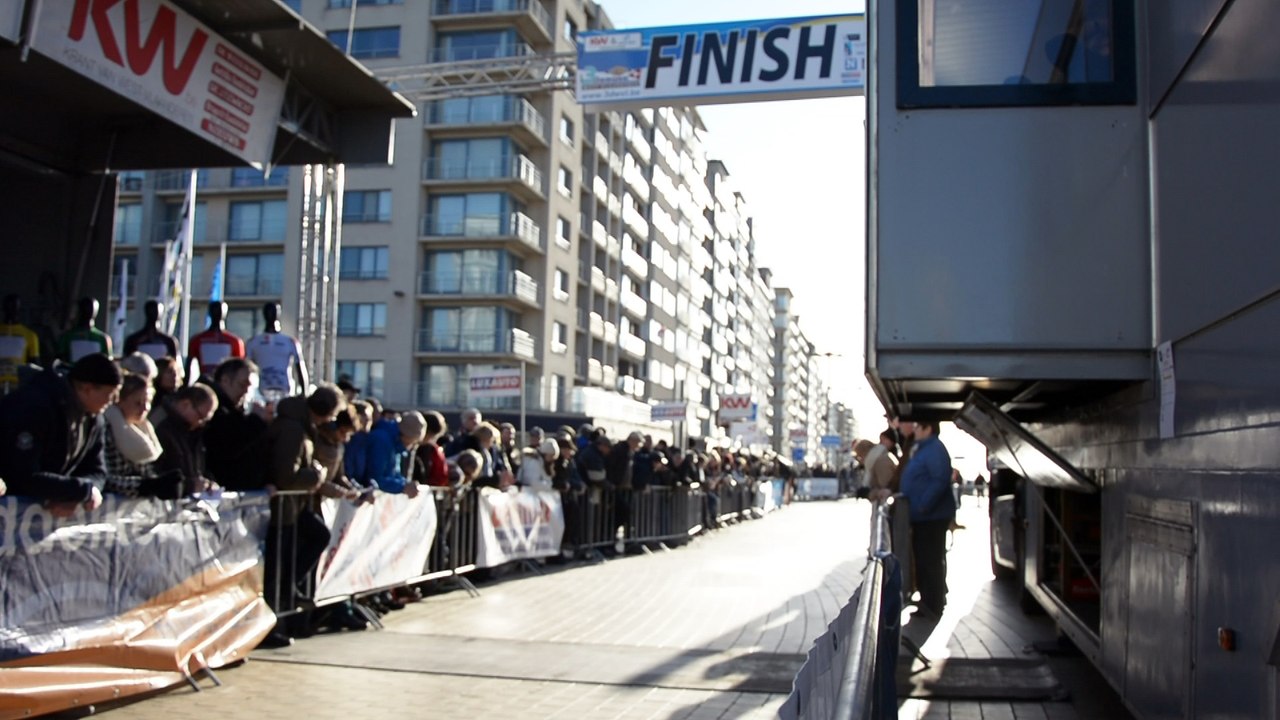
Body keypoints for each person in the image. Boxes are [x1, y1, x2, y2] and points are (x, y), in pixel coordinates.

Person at [0, 352, 119, 513]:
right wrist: (77, 491)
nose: (113, 402)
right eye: (110, 395)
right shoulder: (34, 407)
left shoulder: (94, 417)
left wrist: (82, 493)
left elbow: (97, 470)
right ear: (87, 389)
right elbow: (21, 473)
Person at [899, 419, 956, 617]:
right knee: (925, 559)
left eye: (917, 426)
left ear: (928, 428)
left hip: (931, 516)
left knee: (930, 560)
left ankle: (933, 603)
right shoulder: (923, 449)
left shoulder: (934, 450)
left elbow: (940, 479)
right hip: (923, 515)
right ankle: (928, 600)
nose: (914, 430)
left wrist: (924, 504)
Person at [102, 373, 183, 498]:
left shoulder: (142, 429)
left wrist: (161, 483)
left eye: (148, 402)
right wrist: (144, 486)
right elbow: (104, 478)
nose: (145, 408)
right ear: (119, 401)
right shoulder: (106, 429)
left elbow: (146, 472)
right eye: (138, 403)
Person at [202, 358, 271, 491]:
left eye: (249, 387)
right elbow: (228, 445)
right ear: (225, 380)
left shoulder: (237, 411)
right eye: (242, 384)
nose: (245, 391)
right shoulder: (214, 411)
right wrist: (256, 421)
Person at [153, 384, 218, 495]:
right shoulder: (159, 424)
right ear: (185, 404)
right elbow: (154, 473)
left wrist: (208, 483)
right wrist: (189, 486)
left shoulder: (192, 432)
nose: (201, 424)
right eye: (200, 417)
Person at [246, 302, 308, 401]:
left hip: (285, 391)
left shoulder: (290, 342)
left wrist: (304, 394)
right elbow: (246, 369)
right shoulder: (253, 342)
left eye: (274, 311)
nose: (271, 314)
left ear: (278, 313)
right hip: (261, 393)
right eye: (268, 311)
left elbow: (300, 368)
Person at [364, 410, 426, 497]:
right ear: (406, 435)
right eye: (413, 441)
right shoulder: (382, 441)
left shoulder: (395, 444)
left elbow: (393, 473)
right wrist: (403, 487)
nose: (413, 445)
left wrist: (405, 484)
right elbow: (375, 477)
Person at [187, 301, 245, 379]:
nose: (217, 312)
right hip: (203, 381)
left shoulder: (234, 341)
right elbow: (190, 365)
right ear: (210, 312)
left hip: (226, 384)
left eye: (220, 310)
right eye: (215, 310)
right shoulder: (197, 340)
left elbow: (239, 367)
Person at [0, 293, 41, 392]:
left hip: (18, 385)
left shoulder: (30, 335)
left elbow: (35, 366)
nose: (11, 310)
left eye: (14, 307)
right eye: (8, 306)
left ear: (19, 309)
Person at [56, 297, 112, 362]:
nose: (88, 310)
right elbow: (60, 359)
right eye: (86, 308)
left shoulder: (103, 339)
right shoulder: (67, 337)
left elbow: (108, 363)